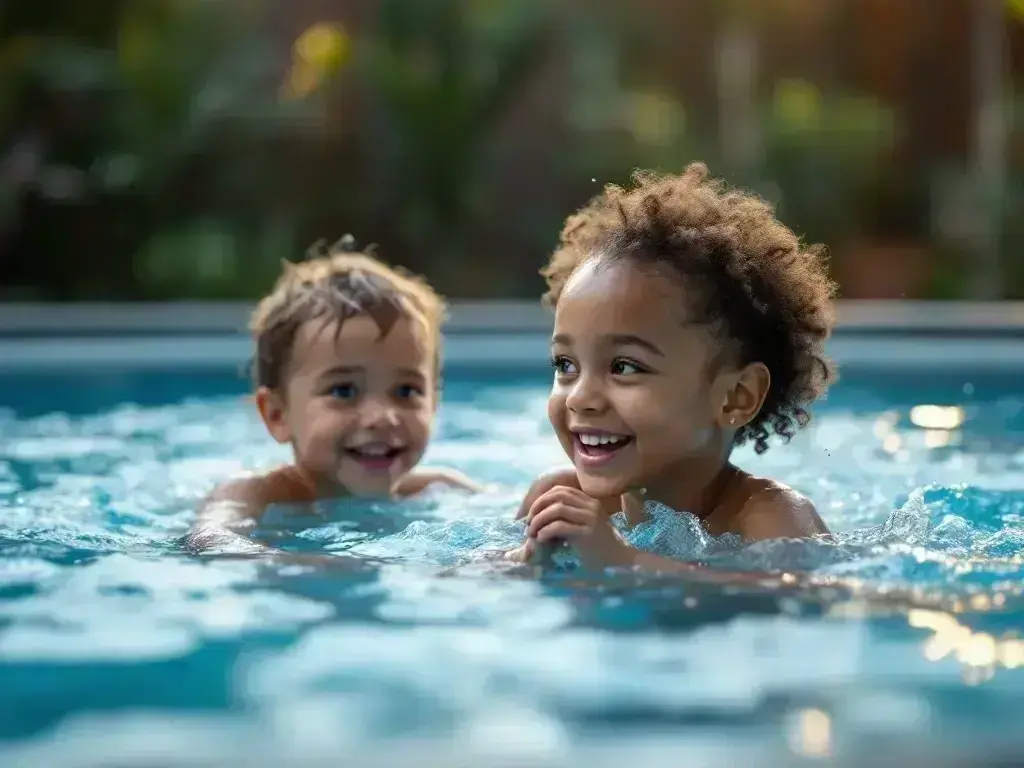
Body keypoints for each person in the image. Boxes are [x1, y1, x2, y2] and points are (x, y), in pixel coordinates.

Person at [507, 163, 837, 573]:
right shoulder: (558, 498)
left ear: (736, 397)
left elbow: (794, 596)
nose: (580, 398)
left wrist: (624, 561)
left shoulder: (772, 518)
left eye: (624, 367)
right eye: (566, 364)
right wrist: (524, 561)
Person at [187, 236, 480, 555]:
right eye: (344, 390)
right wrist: (292, 564)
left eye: (406, 390)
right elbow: (210, 538)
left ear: (433, 403)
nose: (382, 416)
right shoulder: (255, 494)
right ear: (277, 415)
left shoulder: (439, 488)